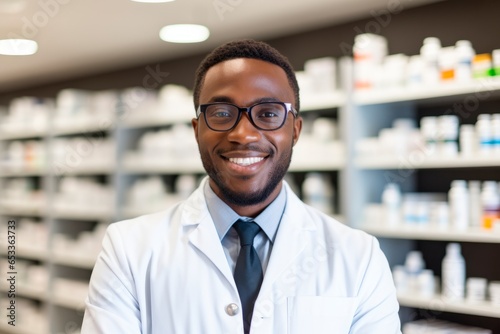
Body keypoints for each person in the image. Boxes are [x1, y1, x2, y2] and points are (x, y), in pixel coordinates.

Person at [82, 39, 401, 334]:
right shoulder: (128, 250)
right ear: (196, 130)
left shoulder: (359, 257)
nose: (244, 135)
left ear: (295, 130)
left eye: (268, 113)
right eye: (221, 113)